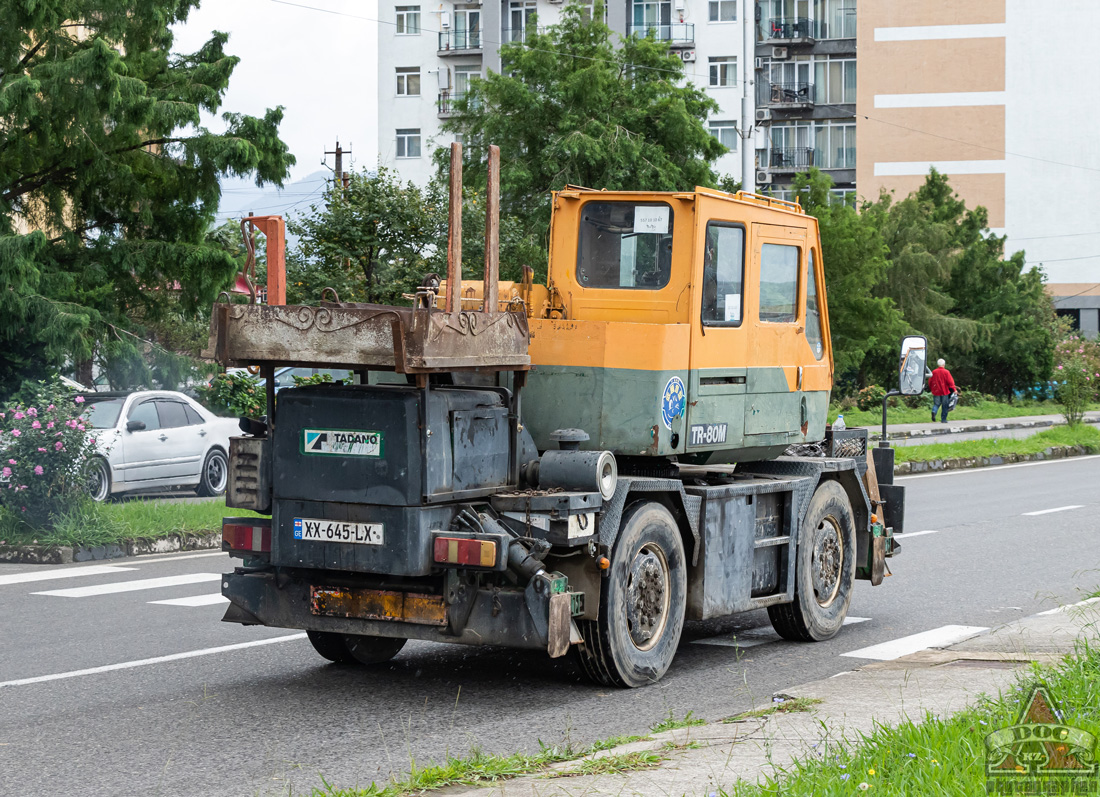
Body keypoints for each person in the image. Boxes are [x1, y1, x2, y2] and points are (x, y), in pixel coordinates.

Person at [928, 358, 957, 423]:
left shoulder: (934, 372)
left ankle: (934, 412)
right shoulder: (946, 372)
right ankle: (943, 419)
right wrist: (954, 389)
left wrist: (932, 389)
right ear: (944, 364)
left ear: (937, 364)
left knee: (936, 404)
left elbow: (930, 381)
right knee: (945, 405)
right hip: (944, 391)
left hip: (936, 391)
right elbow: (950, 382)